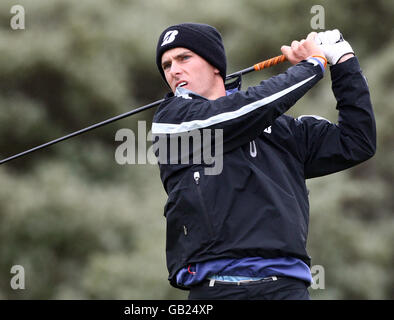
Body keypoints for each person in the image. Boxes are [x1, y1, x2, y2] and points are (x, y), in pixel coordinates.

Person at [151, 23, 376, 300]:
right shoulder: (171, 124)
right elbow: (241, 111)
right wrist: (312, 65)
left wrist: (343, 62)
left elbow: (357, 141)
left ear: (215, 66)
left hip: (287, 289)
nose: (174, 70)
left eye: (184, 58)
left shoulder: (284, 129)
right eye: (166, 65)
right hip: (215, 291)